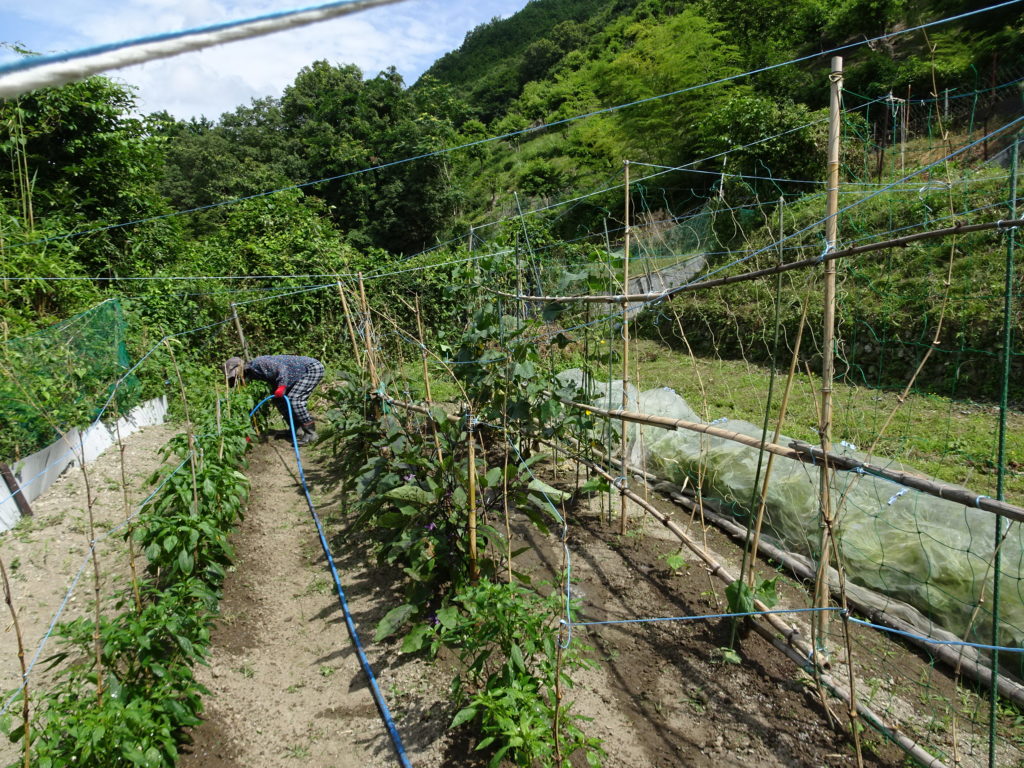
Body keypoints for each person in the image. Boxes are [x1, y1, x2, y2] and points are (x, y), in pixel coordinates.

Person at [223, 355, 324, 445]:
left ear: (240, 367)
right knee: (278, 401)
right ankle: (296, 429)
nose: (236, 377)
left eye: (235, 375)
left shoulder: (259, 363)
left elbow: (282, 369)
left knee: (294, 399)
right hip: (294, 376)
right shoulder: (252, 374)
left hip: (311, 368)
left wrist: (282, 386)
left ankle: (311, 433)